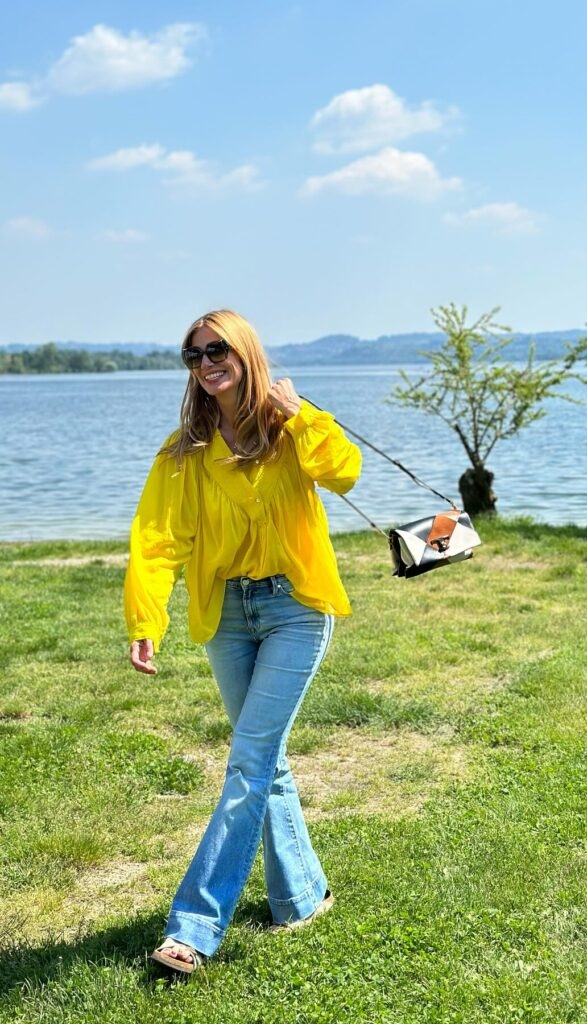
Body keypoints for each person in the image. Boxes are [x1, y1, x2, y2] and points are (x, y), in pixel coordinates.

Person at [124, 309, 361, 974]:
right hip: (225, 614)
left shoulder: (290, 428)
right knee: (265, 761)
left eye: (218, 349)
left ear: (245, 352)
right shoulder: (184, 453)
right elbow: (155, 539)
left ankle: (194, 926)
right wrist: (146, 620)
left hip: (294, 609)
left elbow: (344, 473)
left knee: (248, 762)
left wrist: (304, 415)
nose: (206, 363)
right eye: (194, 355)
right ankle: (301, 897)